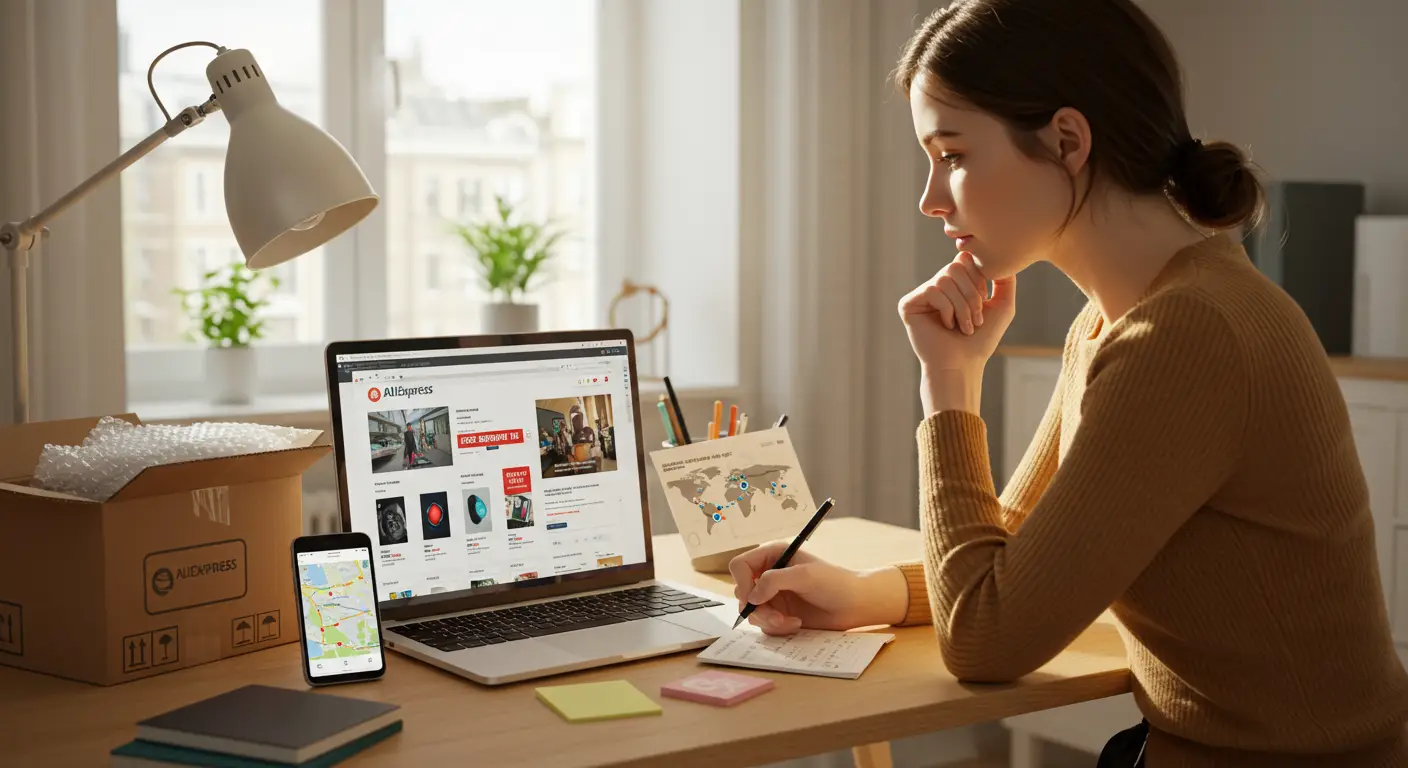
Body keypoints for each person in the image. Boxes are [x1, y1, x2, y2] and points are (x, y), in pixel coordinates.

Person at [728, 1, 1408, 765]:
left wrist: (949, 388)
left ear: (1066, 141)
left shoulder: (1185, 336)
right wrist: (861, 593)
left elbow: (986, 637)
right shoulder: (1114, 322)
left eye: (952, 154)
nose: (931, 196)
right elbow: (1019, 556)